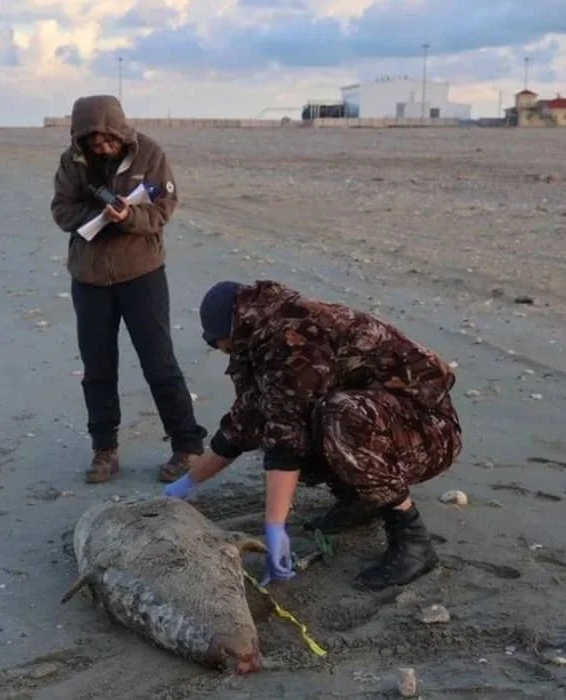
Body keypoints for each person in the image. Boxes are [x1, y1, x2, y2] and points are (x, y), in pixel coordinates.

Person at [162, 280, 463, 591]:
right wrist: (185, 484)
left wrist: (275, 526)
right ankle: (361, 501)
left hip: (427, 432)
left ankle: (412, 537)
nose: (219, 350)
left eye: (217, 344)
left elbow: (285, 441)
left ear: (229, 329)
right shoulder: (261, 336)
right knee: (302, 420)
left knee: (338, 415)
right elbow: (244, 423)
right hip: (391, 426)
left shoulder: (292, 338)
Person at [50, 94, 207, 485]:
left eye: (108, 140)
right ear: (81, 138)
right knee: (98, 367)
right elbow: (61, 210)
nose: (102, 147)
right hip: (89, 278)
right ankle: (105, 450)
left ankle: (187, 446)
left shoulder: (150, 154)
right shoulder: (72, 162)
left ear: (121, 132)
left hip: (142, 273)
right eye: (94, 141)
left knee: (159, 362)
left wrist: (128, 216)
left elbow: (163, 209)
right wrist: (96, 215)